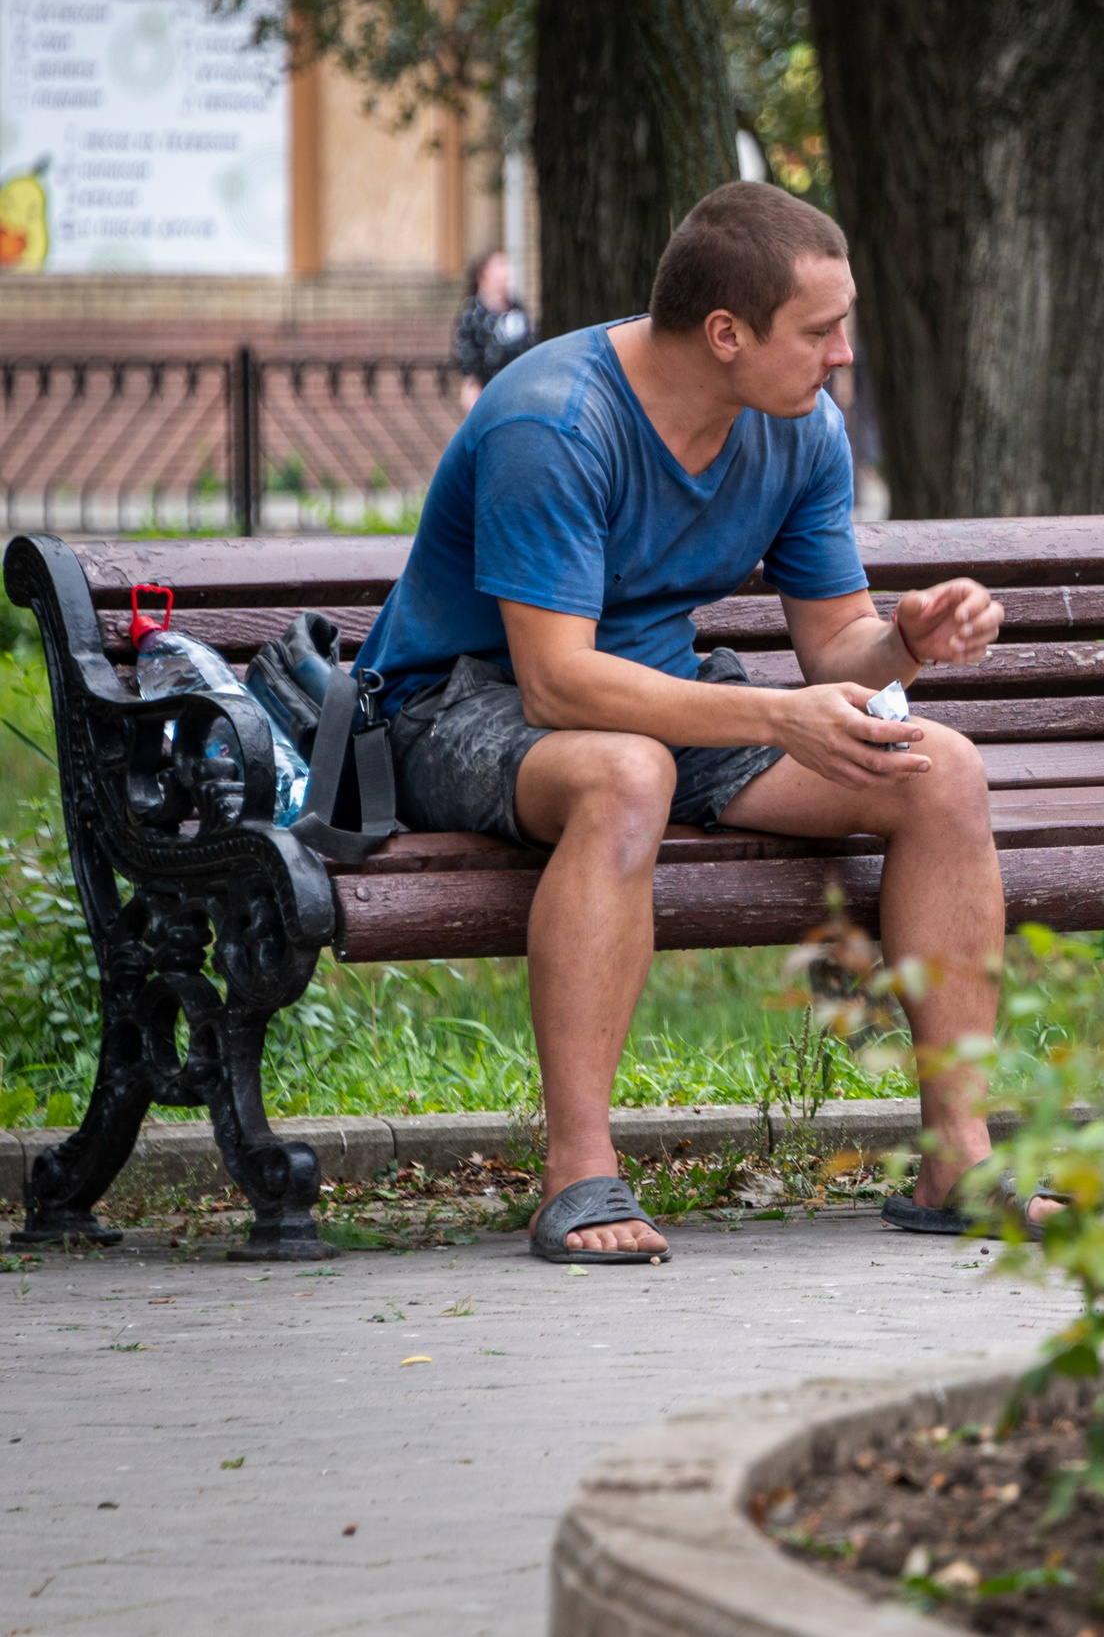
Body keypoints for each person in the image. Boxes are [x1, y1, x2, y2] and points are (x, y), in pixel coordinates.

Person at [361, 182, 1033, 1260]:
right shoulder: (556, 420)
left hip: (652, 695)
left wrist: (905, 639)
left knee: (938, 768)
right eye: (819, 330)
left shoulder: (800, 429)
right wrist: (775, 715)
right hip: (451, 702)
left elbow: (836, 646)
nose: (842, 353)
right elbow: (556, 686)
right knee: (628, 772)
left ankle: (960, 1151)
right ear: (726, 332)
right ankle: (580, 1170)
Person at [453, 250, 538, 408]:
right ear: (483, 274)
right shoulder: (473, 314)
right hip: (489, 397)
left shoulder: (517, 310)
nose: (506, 272)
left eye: (507, 265)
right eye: (500, 265)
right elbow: (468, 362)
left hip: (520, 394)